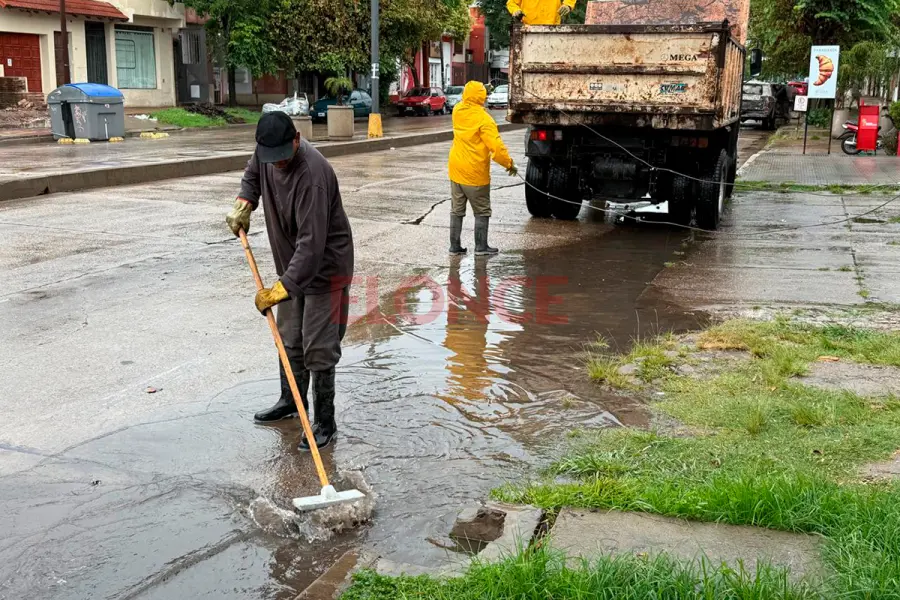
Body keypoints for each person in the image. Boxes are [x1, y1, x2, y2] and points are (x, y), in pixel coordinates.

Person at [225, 112, 354, 451]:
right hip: (293, 266)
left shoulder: (313, 176)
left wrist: (280, 290)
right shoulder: (267, 151)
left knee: (319, 347)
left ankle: (326, 421)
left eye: (282, 157)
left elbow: (312, 247)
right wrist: (245, 202)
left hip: (326, 270)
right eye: (271, 157)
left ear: (296, 139)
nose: (277, 164)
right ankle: (292, 403)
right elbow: (254, 173)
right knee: (289, 339)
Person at [448, 81, 517, 256]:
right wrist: (509, 163)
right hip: (475, 172)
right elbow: (496, 147)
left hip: (456, 169)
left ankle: (454, 247)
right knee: (482, 210)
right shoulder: (484, 119)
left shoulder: (457, 110)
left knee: (457, 210)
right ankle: (481, 247)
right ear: (482, 97)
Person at [507, 0, 577, 25]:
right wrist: (515, 10)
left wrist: (568, 4)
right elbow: (511, 2)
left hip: (553, 29)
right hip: (528, 30)